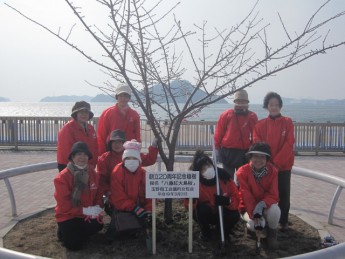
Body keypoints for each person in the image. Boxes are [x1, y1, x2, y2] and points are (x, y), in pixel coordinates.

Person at [253, 92, 295, 231]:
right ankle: (264, 218)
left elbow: (289, 143)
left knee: (284, 194)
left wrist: (276, 163)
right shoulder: (260, 124)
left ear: (280, 106)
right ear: (267, 106)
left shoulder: (287, 122)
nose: (274, 107)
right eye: (271, 105)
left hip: (283, 166)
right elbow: (257, 142)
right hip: (266, 166)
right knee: (265, 193)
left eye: (277, 105)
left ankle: (283, 222)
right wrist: (268, 163)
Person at [54, 141, 104, 250]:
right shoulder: (62, 177)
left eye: (85, 154)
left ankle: (76, 234)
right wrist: (85, 211)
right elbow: (64, 206)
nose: (82, 157)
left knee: (98, 225)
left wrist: (97, 207)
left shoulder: (93, 173)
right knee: (74, 246)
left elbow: (98, 195)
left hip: (85, 214)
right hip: (68, 215)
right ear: (72, 157)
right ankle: (64, 231)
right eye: (79, 154)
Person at [97, 129, 159, 214]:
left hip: (134, 196)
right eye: (114, 142)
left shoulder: (132, 154)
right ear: (110, 144)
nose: (117, 144)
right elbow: (101, 180)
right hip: (115, 195)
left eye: (120, 142)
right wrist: (108, 192)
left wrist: (153, 147)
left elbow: (150, 159)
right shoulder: (104, 159)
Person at [185, 150, 240, 242]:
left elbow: (237, 199)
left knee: (234, 215)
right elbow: (188, 206)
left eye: (209, 165)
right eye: (203, 169)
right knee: (201, 209)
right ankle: (205, 233)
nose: (208, 169)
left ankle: (223, 232)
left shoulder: (224, 178)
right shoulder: (195, 183)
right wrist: (193, 201)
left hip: (222, 212)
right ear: (199, 172)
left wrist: (227, 201)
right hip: (206, 215)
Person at [236, 142, 281, 249]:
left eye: (262, 157)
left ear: (267, 159)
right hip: (247, 207)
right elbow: (246, 196)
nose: (259, 160)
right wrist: (255, 214)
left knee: (275, 210)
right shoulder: (242, 172)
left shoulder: (273, 171)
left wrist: (261, 205)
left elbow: (273, 194)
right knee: (255, 224)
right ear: (250, 157)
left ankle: (271, 235)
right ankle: (253, 232)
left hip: (264, 205)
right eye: (255, 156)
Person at [107, 139, 152, 239]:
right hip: (121, 207)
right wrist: (134, 208)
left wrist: (148, 210)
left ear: (139, 161)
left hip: (139, 207)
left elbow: (150, 195)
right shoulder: (117, 172)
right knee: (120, 230)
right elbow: (118, 198)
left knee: (146, 224)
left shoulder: (143, 174)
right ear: (123, 160)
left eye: (134, 158)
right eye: (128, 158)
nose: (131, 161)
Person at [214, 89, 258, 179]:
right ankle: (229, 193)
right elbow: (219, 132)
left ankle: (240, 193)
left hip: (244, 152)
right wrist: (216, 148)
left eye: (243, 101)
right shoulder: (226, 114)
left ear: (247, 102)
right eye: (239, 100)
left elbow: (255, 135)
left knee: (242, 179)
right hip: (227, 152)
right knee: (227, 179)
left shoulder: (252, 116)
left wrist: (254, 149)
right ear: (235, 101)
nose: (241, 102)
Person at [97, 84, 141, 154]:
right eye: (121, 96)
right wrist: (102, 153)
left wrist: (137, 150)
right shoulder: (107, 113)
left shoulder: (134, 114)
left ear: (129, 98)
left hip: (129, 150)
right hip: (112, 149)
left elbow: (137, 134)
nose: (123, 99)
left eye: (126, 96)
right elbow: (101, 135)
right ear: (117, 97)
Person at [57, 101, 98, 172]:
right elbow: (66, 151)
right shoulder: (67, 129)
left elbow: (94, 148)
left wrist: (91, 165)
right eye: (81, 112)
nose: (84, 115)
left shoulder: (90, 128)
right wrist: (79, 166)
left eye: (86, 113)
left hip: (87, 166)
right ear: (75, 114)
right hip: (70, 167)